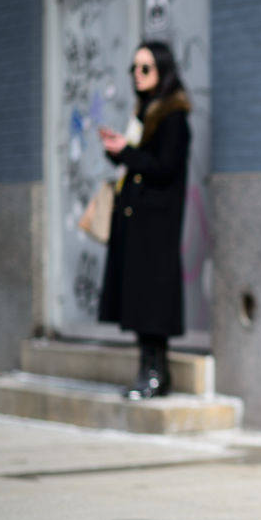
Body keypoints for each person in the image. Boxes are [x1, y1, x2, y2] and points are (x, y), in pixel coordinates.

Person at [97, 41, 191, 400]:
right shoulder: (144, 112)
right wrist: (118, 151)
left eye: (145, 68)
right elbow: (138, 162)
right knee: (137, 300)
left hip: (156, 227)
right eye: (134, 68)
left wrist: (127, 153)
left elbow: (164, 168)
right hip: (136, 223)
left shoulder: (173, 117)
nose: (137, 74)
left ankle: (156, 374)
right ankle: (146, 371)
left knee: (152, 302)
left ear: (162, 71)